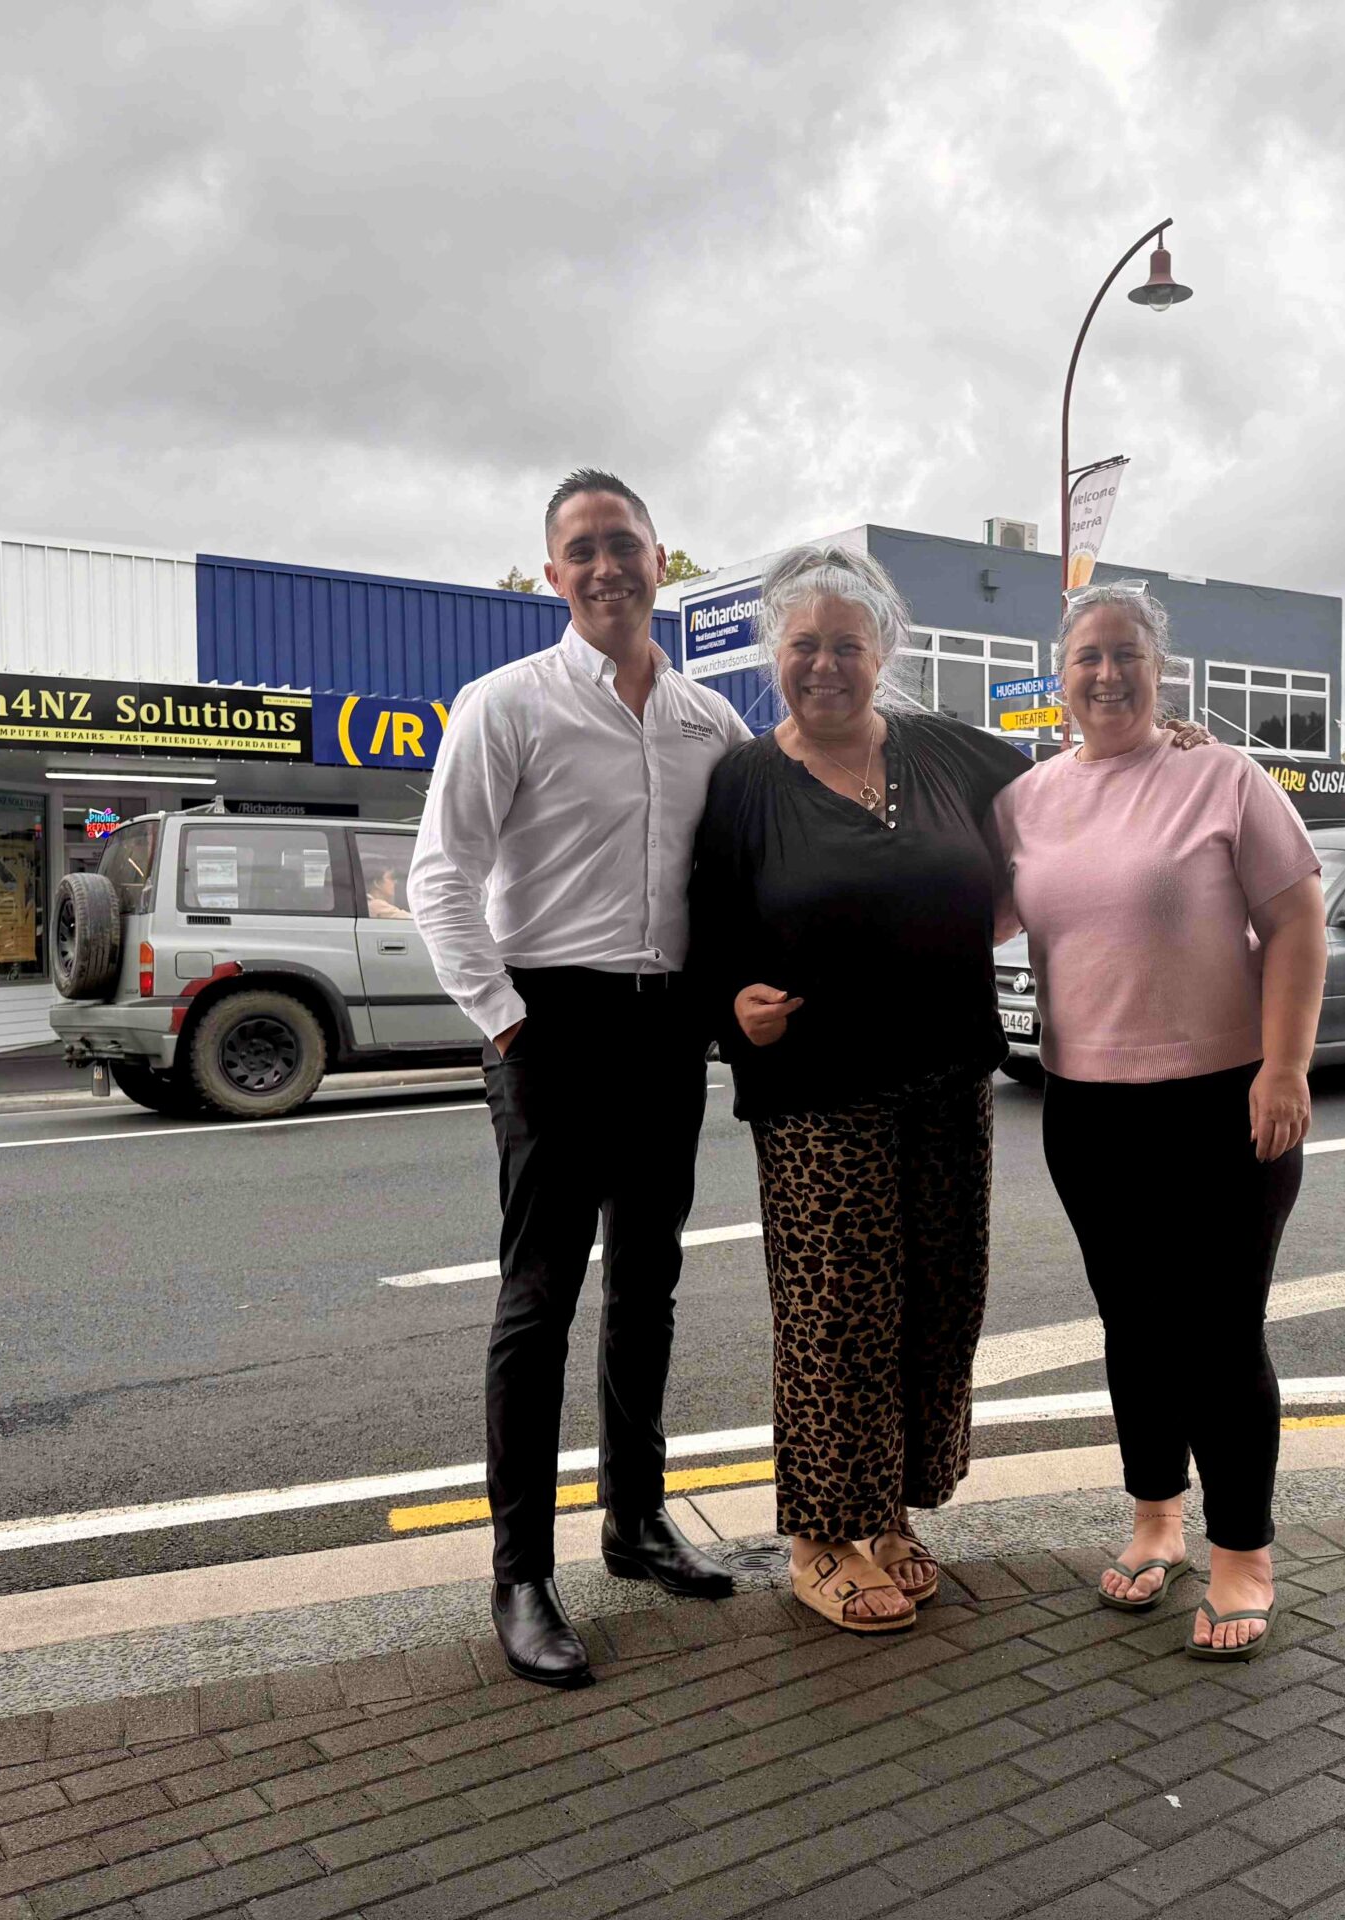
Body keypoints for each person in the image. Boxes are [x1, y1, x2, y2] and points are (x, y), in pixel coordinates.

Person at [408, 469, 746, 1689]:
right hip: (548, 1019)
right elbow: (441, 876)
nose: (606, 567)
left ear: (663, 559)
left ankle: (635, 1522)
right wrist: (506, 1026)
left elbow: (772, 840)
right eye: (580, 551)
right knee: (539, 1299)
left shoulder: (713, 723)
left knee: (648, 1283)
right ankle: (519, 1574)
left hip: (667, 1029)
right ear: (552, 576)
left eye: (624, 545)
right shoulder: (506, 705)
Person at [689, 544, 1035, 1633]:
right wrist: (726, 1006)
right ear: (773, 655)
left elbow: (1077, 799)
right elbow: (701, 931)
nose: (826, 665)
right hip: (818, 1087)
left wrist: (1170, 739)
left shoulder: (949, 751)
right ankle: (819, 1534)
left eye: (848, 644)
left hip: (945, 1075)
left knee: (937, 1300)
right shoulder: (744, 781)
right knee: (835, 1312)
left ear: (883, 652)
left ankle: (887, 1512)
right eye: (804, 646)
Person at [994, 582, 1327, 1660]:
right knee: (1133, 1328)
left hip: (1224, 1102)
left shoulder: (1222, 777)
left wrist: (1284, 1068)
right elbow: (939, 902)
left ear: (1160, 669)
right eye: (1086, 657)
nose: (1106, 675)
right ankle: (1154, 1516)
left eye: (1125, 655)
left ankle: (1242, 1551)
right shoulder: (1026, 802)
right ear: (1061, 677)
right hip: (1086, 1111)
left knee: (1220, 1335)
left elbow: (1295, 923)